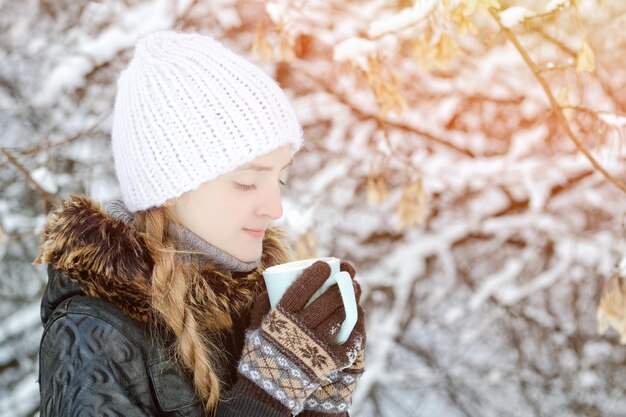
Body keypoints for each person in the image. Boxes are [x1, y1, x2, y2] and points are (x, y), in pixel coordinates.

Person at [33, 30, 366, 417]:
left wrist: (320, 404)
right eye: (246, 182)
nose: (274, 208)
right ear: (170, 187)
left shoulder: (259, 313)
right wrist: (263, 398)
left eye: (280, 179)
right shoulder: (93, 335)